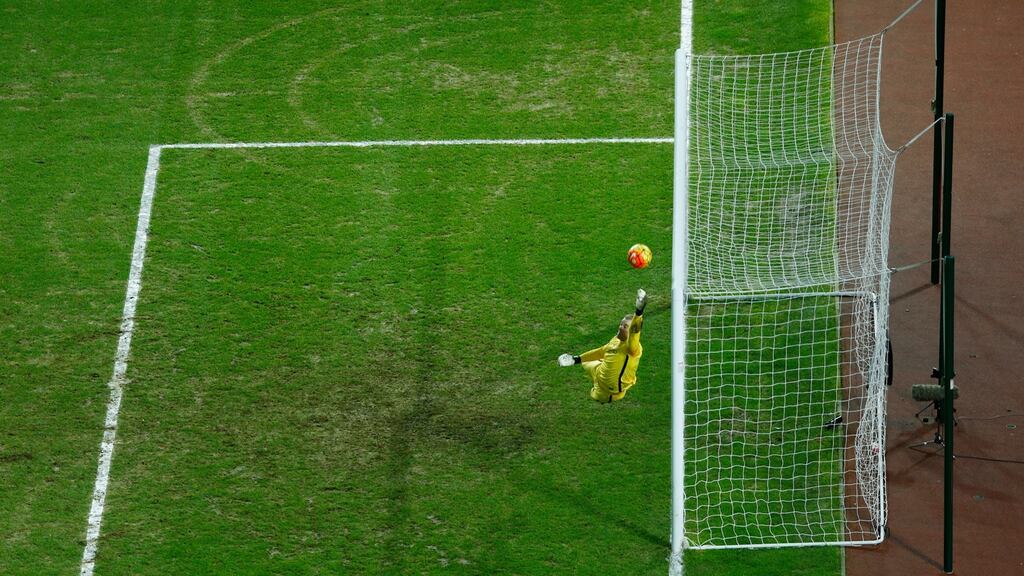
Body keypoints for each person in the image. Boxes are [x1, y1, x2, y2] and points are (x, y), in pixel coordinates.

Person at [558, 289, 647, 403]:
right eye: (621, 324)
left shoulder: (632, 349)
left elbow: (635, 332)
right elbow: (601, 352)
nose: (620, 327)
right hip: (599, 372)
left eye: (625, 327)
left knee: (595, 396)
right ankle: (583, 364)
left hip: (607, 391)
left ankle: (600, 390)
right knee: (587, 362)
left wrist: (639, 312)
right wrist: (575, 359)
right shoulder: (615, 340)